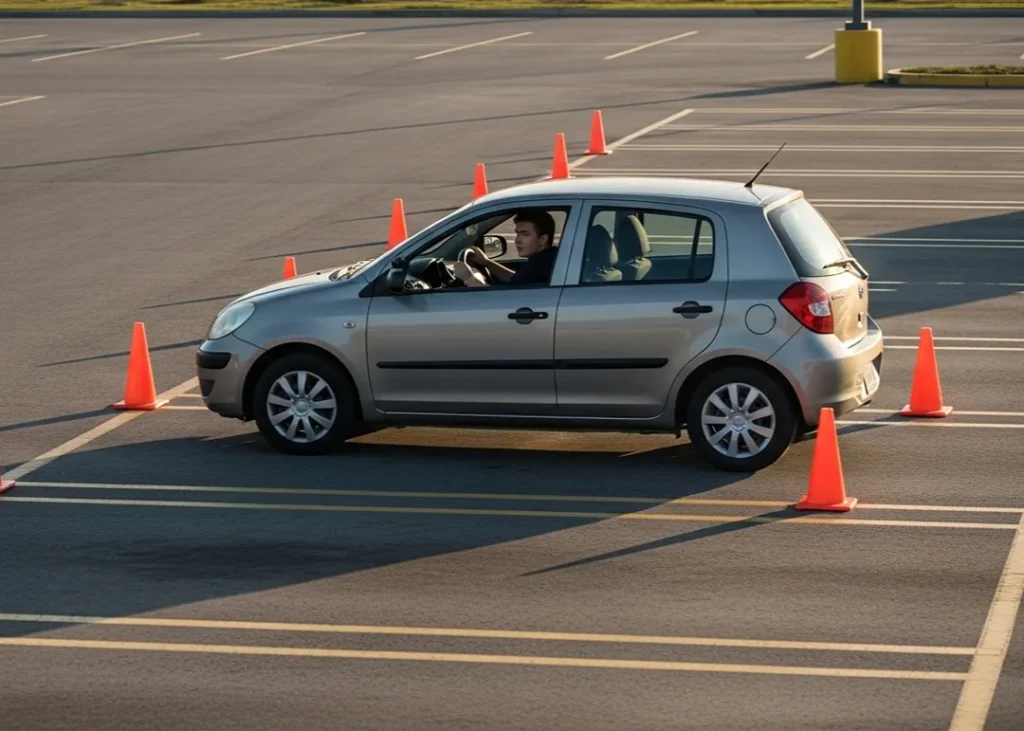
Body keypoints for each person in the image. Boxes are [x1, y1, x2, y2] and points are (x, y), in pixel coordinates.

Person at [453, 209, 558, 287]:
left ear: (542, 240)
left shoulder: (540, 266)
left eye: (525, 234)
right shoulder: (546, 259)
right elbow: (516, 281)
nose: (517, 240)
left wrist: (469, 278)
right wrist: (487, 262)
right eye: (517, 233)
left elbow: (497, 301)